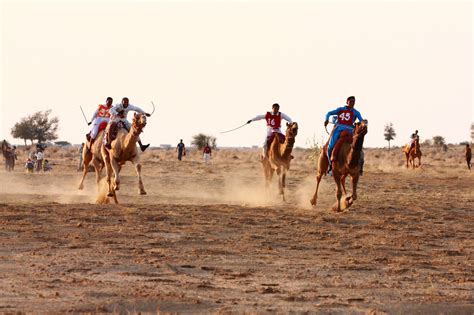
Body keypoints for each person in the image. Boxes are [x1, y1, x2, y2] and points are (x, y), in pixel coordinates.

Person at [324, 96, 365, 168]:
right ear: (347, 102)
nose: (352, 103)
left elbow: (361, 120)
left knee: (358, 147)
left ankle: (360, 166)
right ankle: (330, 165)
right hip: (338, 130)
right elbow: (329, 113)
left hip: (350, 131)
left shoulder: (356, 112)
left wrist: (363, 124)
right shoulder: (340, 109)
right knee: (330, 147)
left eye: (353, 102)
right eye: (350, 102)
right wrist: (326, 119)